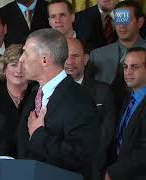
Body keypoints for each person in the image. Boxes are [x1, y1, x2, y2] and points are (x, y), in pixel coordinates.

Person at [17, 28, 99, 179]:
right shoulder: (33, 94)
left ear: (44, 60)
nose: (21, 59)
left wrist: (38, 134)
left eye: (26, 53)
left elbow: (79, 155)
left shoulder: (79, 99)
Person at [65, 38, 116, 180]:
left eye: (75, 56)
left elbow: (106, 135)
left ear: (85, 59)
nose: (69, 62)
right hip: (57, 168)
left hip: (93, 169)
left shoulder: (103, 91)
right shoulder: (43, 91)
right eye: (65, 56)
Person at [89, 1, 146, 113]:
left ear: (140, 22)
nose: (122, 26)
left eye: (127, 20)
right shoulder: (97, 55)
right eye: (119, 20)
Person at [104, 47, 146, 180]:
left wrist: (114, 172)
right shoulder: (126, 97)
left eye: (134, 67)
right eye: (125, 67)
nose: (128, 72)